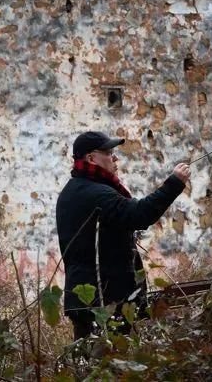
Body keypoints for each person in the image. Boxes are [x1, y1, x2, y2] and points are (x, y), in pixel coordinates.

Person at [55, 131, 191, 340]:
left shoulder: (74, 191)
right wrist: (174, 183)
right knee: (109, 366)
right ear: (91, 158)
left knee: (95, 368)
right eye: (108, 152)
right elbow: (138, 214)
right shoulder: (96, 194)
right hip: (104, 302)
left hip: (89, 301)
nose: (115, 157)